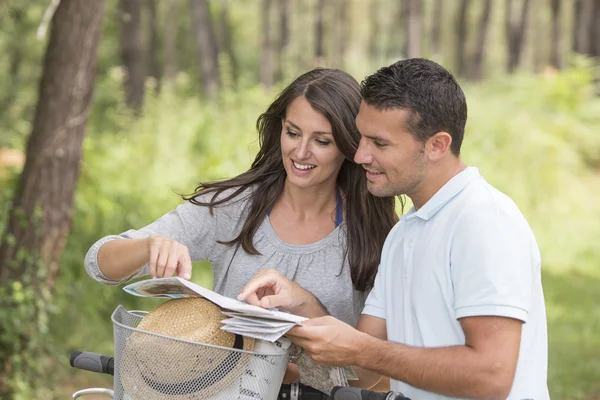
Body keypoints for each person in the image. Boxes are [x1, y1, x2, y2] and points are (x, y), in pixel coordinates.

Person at [239, 59, 549, 400]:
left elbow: (492, 378)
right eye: (361, 138)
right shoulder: (403, 236)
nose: (359, 156)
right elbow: (363, 371)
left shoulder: (483, 221)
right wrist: (304, 304)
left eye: (379, 143)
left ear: (436, 145)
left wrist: (364, 351)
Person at [84, 68, 398, 398]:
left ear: (349, 148)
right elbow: (98, 264)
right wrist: (149, 246)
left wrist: (305, 307)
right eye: (292, 133)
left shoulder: (374, 235)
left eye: (322, 141)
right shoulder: (235, 208)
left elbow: (365, 374)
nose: (301, 152)